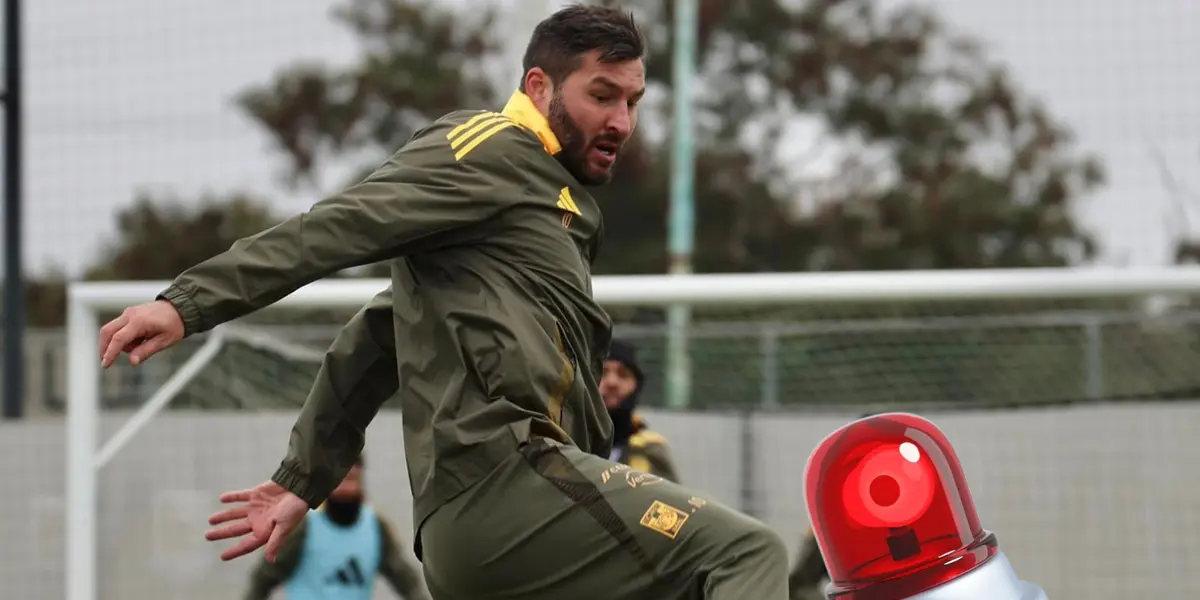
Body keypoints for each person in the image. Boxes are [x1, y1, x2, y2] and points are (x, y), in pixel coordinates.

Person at [96, 5, 788, 600]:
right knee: (745, 555)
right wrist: (188, 303)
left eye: (633, 102)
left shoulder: (552, 205)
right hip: (508, 487)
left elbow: (374, 337)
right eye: (602, 95)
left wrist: (300, 481)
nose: (622, 121)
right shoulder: (488, 148)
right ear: (539, 85)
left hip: (497, 529)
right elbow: (341, 223)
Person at [241, 455, 431, 600]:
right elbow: (264, 578)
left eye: (351, 478)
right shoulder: (304, 526)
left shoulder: (375, 527)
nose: (346, 487)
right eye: (340, 480)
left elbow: (406, 581)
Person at [602, 339, 679, 482]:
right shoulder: (566, 445)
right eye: (602, 373)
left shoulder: (650, 449)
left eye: (623, 374)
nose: (612, 382)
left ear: (637, 385)